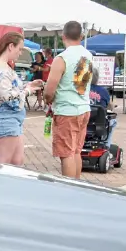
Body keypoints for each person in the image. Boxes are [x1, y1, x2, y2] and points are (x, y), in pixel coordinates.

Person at [44, 21, 95, 179]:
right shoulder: (88, 55)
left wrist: (48, 100)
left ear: (63, 36)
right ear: (81, 36)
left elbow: (49, 90)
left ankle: (68, 190)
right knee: (76, 151)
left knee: (66, 154)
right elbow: (82, 83)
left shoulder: (62, 58)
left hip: (66, 111)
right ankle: (78, 186)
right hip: (83, 108)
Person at [0, 32, 44, 165]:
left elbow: (8, 89)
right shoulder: (0, 68)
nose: (20, 53)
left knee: (16, 161)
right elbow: (7, 96)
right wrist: (28, 90)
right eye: (19, 49)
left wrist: (28, 85)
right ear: (11, 46)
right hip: (5, 118)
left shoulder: (2, 66)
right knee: (5, 164)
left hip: (10, 117)